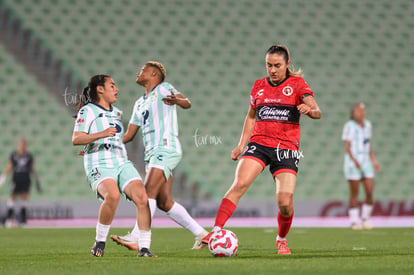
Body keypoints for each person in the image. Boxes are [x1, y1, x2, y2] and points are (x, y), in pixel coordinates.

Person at [201, 45, 322, 255]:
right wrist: (241, 144)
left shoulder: (297, 84)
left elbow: (317, 111)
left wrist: (309, 110)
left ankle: (281, 239)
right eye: (269, 65)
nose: (272, 70)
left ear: (286, 65)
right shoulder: (258, 86)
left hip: (286, 148)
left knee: (285, 203)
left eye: (277, 65)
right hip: (260, 143)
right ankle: (216, 230)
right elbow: (251, 116)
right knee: (240, 184)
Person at [110, 61, 208, 251]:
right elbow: (129, 135)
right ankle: (202, 234)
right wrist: (104, 143)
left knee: (147, 193)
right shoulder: (139, 103)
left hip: (165, 148)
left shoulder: (164, 88)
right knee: (164, 202)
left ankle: (136, 236)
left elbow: (187, 103)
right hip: (152, 154)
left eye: (143, 70)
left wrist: (178, 101)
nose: (138, 72)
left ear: (154, 74)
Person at [72, 74, 155, 257]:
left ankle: (144, 248)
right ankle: (99, 242)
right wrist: (100, 135)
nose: (116, 89)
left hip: (120, 161)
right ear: (100, 89)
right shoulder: (88, 111)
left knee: (142, 197)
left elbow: (115, 140)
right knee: (113, 195)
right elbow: (76, 138)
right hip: (99, 162)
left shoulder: (117, 113)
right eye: (112, 85)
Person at [342, 102, 380, 230]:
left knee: (369, 191)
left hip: (366, 161)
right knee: (355, 193)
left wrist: (374, 161)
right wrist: (354, 160)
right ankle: (354, 221)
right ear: (353, 114)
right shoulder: (349, 126)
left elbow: (368, 144)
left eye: (363, 110)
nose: (361, 113)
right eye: (358, 111)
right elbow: (347, 146)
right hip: (353, 162)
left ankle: (365, 219)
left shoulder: (368, 125)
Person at [0, 139, 42, 227]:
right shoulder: (14, 155)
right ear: (18, 145)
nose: (22, 146)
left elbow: (32, 168)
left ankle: (23, 220)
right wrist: (3, 177)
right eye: (21, 144)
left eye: (24, 144)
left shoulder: (29, 156)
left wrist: (37, 178)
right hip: (16, 179)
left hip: (26, 179)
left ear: (26, 145)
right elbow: (9, 166)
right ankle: (8, 219)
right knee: (12, 198)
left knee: (24, 198)